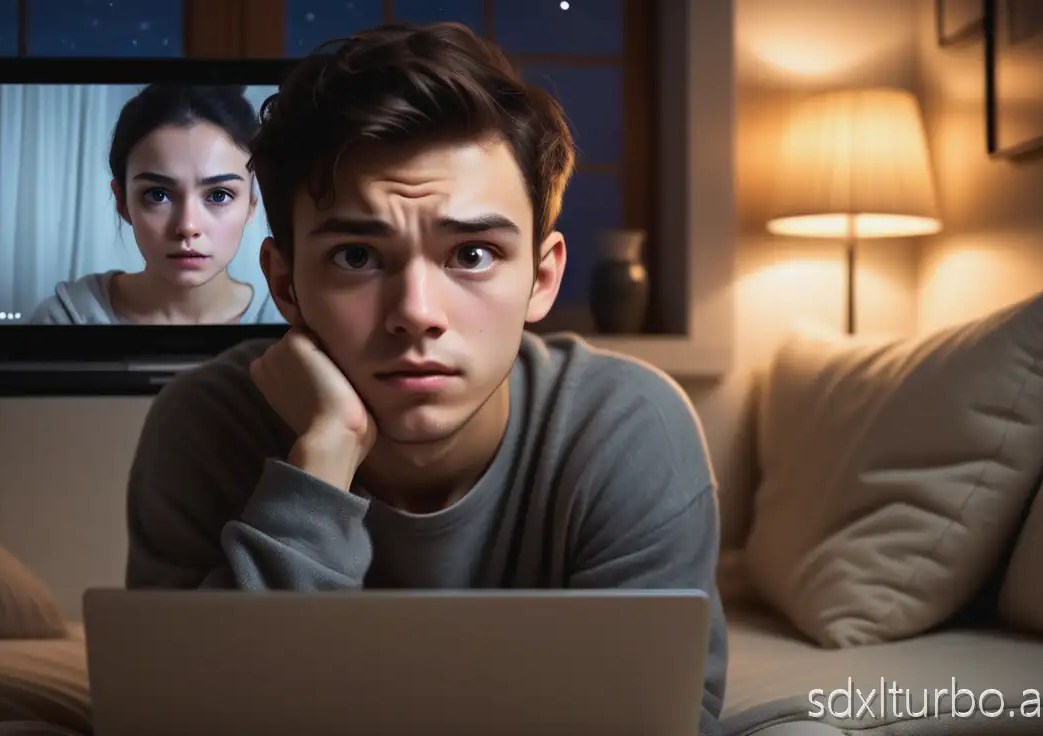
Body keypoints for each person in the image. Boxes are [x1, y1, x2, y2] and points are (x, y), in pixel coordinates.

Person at [124, 22, 727, 735]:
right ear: (285, 285)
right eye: (356, 257)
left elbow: (656, 721)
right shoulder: (203, 424)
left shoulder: (628, 428)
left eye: (472, 254)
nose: (415, 314)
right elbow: (186, 718)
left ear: (541, 278)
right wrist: (320, 465)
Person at [28, 83, 284, 325]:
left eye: (218, 195)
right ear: (122, 201)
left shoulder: (287, 323)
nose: (187, 226)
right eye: (158, 194)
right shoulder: (64, 320)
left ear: (251, 204)